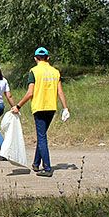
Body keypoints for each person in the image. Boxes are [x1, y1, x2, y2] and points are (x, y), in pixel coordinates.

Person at [11, 47, 69, 177]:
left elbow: (30, 93)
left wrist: (18, 106)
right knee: (41, 135)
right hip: (51, 108)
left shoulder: (34, 71)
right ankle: (36, 163)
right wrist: (65, 108)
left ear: (35, 58)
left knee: (42, 137)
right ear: (48, 58)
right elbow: (60, 92)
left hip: (39, 107)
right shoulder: (55, 72)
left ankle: (47, 168)